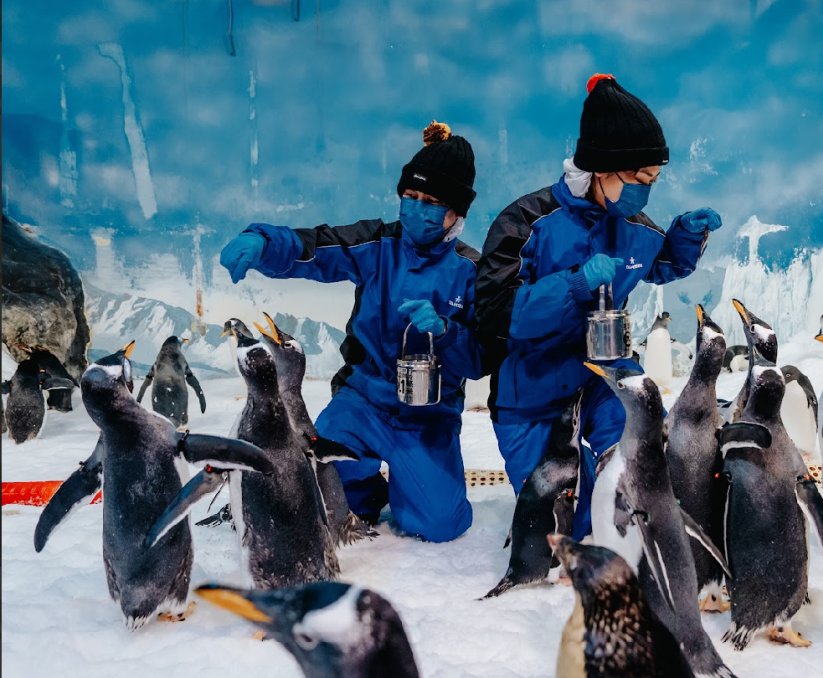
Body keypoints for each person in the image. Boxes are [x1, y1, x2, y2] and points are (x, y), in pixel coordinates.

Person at [475, 74, 722, 538]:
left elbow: (659, 261)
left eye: (654, 179)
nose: (645, 191)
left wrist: (686, 238)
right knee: (566, 522)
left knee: (642, 484)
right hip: (531, 391)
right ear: (601, 167)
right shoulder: (525, 222)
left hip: (604, 376)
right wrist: (572, 286)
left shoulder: (630, 223)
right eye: (638, 178)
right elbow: (493, 314)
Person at [218, 121, 482, 543]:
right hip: (363, 402)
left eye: (430, 202)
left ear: (456, 213)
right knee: (319, 495)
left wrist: (447, 331)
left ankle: (411, 482)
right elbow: (318, 248)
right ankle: (362, 486)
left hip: (428, 415)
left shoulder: (470, 271)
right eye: (410, 197)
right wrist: (264, 243)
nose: (416, 208)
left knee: (438, 525)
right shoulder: (379, 244)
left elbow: (481, 359)